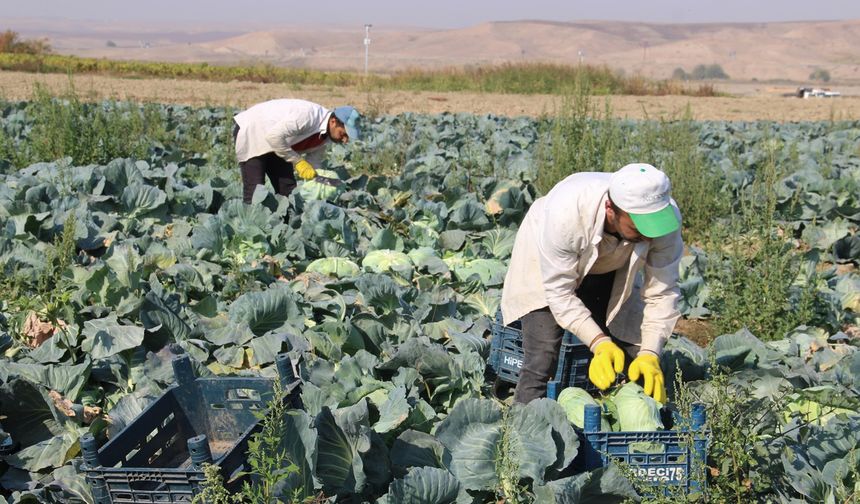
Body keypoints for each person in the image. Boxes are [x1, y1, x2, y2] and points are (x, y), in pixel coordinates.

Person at [501, 163, 684, 405]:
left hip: (611, 261)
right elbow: (560, 294)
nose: (650, 235)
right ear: (611, 209)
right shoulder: (567, 213)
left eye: (654, 226)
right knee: (542, 356)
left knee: (631, 343)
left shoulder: (665, 219)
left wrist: (650, 353)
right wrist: (599, 343)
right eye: (640, 226)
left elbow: (662, 293)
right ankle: (521, 425)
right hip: (546, 256)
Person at [233, 99, 360, 203]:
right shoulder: (307, 116)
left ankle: (287, 227)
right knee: (255, 192)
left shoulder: (326, 137)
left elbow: (313, 166)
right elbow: (273, 137)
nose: (344, 141)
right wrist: (298, 162)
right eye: (343, 134)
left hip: (280, 144)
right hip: (254, 132)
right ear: (333, 122)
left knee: (287, 189)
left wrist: (327, 183)